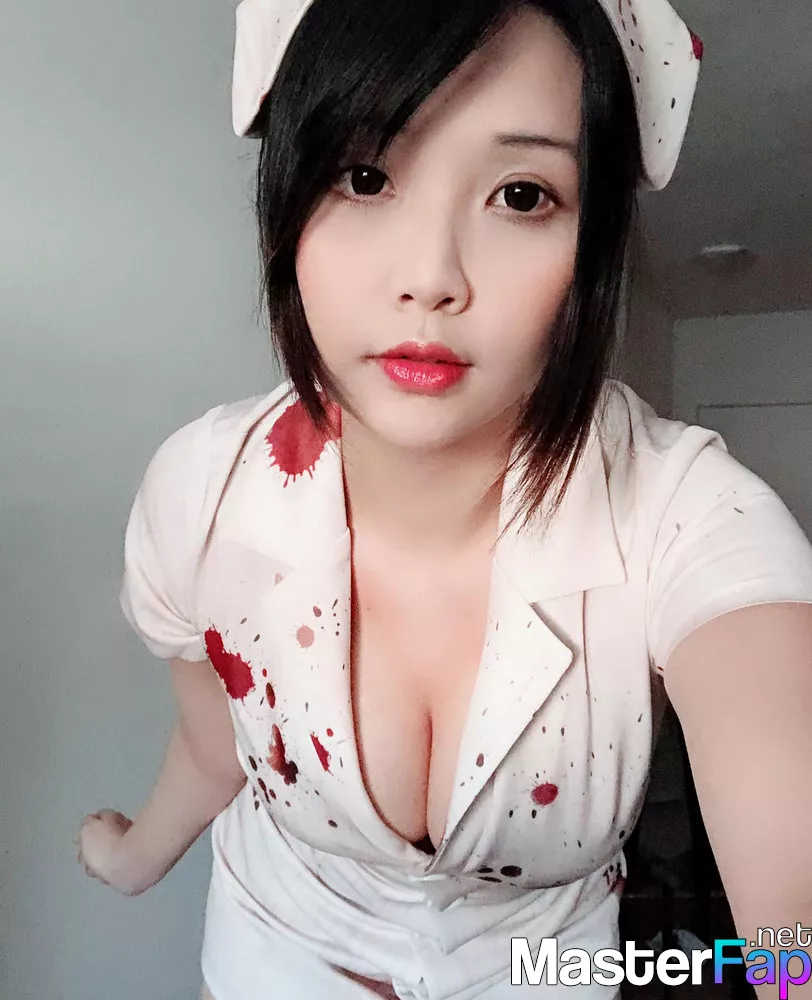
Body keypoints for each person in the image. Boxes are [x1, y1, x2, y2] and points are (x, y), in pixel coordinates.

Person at [76, 1, 812, 998]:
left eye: (520, 194)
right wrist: (136, 857)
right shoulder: (201, 493)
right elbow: (216, 743)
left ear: (589, 247)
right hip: (272, 953)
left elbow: (791, 923)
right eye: (364, 176)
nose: (430, 278)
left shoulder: (687, 516)